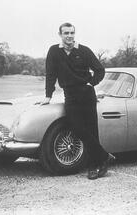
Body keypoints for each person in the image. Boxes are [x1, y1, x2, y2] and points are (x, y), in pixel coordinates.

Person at [39, 23, 114, 180]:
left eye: (72, 33)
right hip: (71, 95)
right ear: (59, 34)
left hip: (87, 94)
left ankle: (94, 166)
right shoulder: (54, 51)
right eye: (66, 33)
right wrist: (48, 96)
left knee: (92, 130)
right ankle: (104, 156)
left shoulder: (84, 50)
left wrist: (90, 83)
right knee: (77, 128)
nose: (69, 36)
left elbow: (100, 70)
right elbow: (51, 74)